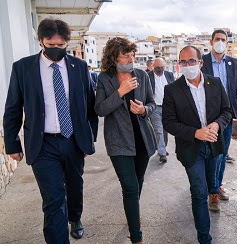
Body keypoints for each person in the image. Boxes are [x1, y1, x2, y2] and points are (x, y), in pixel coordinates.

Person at [3, 18, 98, 243]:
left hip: (73, 140)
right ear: (41, 41)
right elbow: (13, 108)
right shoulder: (23, 68)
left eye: (61, 45)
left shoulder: (79, 67)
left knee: (75, 187)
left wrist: (89, 138)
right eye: (51, 44)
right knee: (54, 199)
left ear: (67, 43)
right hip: (42, 143)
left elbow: (90, 106)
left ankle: (75, 217)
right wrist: (12, 143)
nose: (56, 49)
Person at [162, 46, 232, 244]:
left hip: (214, 146)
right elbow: (168, 123)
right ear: (179, 65)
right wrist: (195, 133)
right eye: (183, 62)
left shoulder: (215, 83)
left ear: (200, 63)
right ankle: (204, 239)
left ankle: (214, 193)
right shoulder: (172, 90)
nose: (187, 65)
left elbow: (227, 111)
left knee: (212, 186)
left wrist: (217, 125)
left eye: (191, 61)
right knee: (199, 192)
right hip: (191, 150)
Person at [94, 37, 156, 244]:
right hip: (118, 141)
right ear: (114, 58)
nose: (130, 59)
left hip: (143, 140)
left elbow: (152, 104)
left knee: (137, 184)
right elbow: (100, 109)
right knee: (129, 187)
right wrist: (121, 92)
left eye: (132, 55)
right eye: (125, 56)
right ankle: (136, 236)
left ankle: (132, 215)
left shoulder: (142, 75)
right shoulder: (105, 78)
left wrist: (143, 110)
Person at [201, 29, 237, 208]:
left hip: (226, 115)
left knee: (222, 154)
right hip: (207, 116)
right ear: (211, 42)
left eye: (223, 39)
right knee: (211, 153)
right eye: (217, 39)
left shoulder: (233, 63)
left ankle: (216, 186)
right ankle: (211, 189)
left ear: (227, 43)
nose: (220, 42)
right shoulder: (203, 62)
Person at [148, 57, 175, 163]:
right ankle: (162, 153)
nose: (160, 69)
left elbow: (174, 89)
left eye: (162, 67)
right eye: (158, 67)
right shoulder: (148, 76)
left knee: (165, 130)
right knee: (158, 130)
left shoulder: (169, 75)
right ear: (153, 67)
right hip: (154, 107)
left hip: (167, 107)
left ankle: (162, 147)